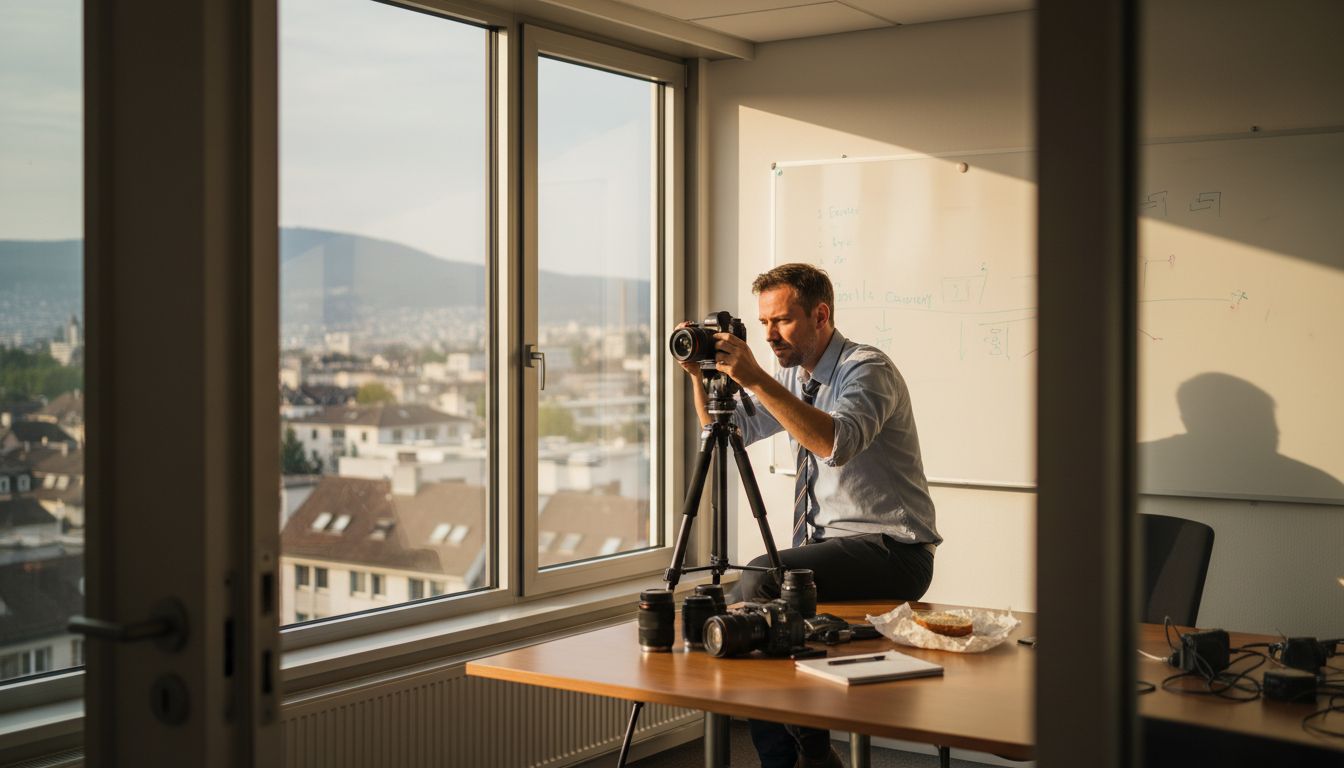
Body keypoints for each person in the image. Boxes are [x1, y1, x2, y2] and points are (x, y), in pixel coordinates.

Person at [679, 262, 941, 768]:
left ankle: (801, 761)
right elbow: (727, 428)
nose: (770, 336)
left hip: (895, 550)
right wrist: (702, 376)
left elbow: (834, 443)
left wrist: (756, 379)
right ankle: (807, 754)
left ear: (821, 315)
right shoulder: (790, 375)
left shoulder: (868, 370)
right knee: (762, 605)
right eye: (763, 324)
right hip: (836, 552)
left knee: (760, 580)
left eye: (781, 321)